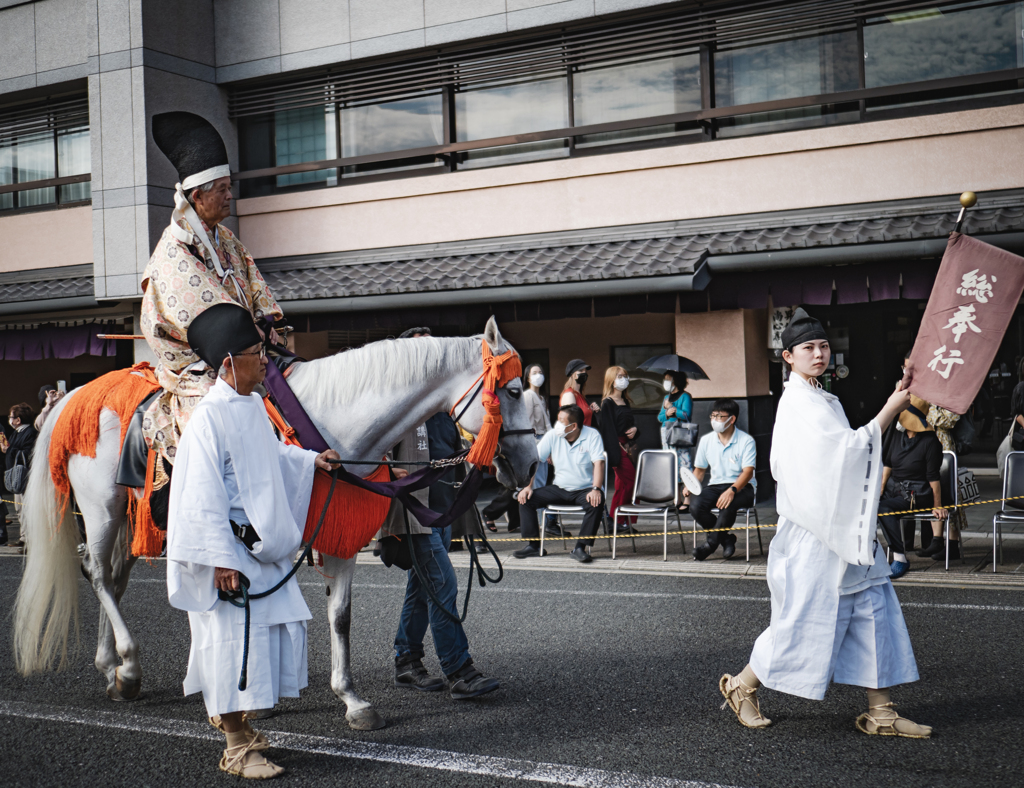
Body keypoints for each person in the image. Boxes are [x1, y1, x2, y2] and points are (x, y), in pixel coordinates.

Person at [720, 308, 930, 739]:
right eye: (808, 348)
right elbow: (847, 452)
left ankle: (881, 712)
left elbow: (843, 456)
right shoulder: (799, 402)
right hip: (815, 532)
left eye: (823, 346)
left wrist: (896, 397)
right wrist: (891, 407)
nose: (819, 354)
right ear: (788, 356)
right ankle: (741, 685)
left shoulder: (818, 395)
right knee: (804, 620)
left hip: (842, 524)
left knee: (873, 612)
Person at [166, 303, 340, 779]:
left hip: (260, 550)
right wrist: (220, 559)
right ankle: (236, 748)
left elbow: (271, 459)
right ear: (228, 362)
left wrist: (308, 461)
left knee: (260, 643)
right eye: (255, 353)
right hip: (232, 555)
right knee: (232, 645)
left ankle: (243, 728)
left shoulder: (252, 408)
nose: (265, 360)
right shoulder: (208, 419)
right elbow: (199, 495)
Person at [140, 112, 284, 488]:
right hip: (198, 364)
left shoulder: (227, 239)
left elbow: (252, 283)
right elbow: (206, 313)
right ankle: (199, 489)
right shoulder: (173, 250)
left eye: (229, 186)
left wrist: (267, 321)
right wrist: (247, 333)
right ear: (197, 196)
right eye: (221, 189)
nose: (229, 195)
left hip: (245, 351)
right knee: (212, 415)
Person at [382, 328, 500, 700]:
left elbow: (454, 446)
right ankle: (459, 670)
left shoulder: (443, 402)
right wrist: (387, 469)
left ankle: (406, 659)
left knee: (422, 587)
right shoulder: (396, 400)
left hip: (443, 507)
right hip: (414, 510)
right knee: (442, 584)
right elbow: (373, 446)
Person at [515, 404, 605, 564]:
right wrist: (528, 487)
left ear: (573, 426)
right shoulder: (552, 435)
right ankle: (533, 546)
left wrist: (596, 489)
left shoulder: (592, 435)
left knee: (596, 502)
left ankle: (580, 548)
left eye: (562, 421)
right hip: (559, 489)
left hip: (585, 489)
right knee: (525, 499)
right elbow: (534, 460)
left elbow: (599, 463)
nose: (557, 424)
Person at [878, 394, 946, 579]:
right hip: (894, 489)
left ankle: (899, 557)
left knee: (883, 509)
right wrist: (880, 489)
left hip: (917, 493)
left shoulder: (930, 442)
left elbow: (933, 478)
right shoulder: (897, 436)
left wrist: (937, 505)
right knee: (870, 504)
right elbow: (888, 464)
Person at [687, 398, 756, 561]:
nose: (715, 420)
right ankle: (726, 540)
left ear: (732, 419)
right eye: (713, 416)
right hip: (716, 485)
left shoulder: (746, 441)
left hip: (743, 487)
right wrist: (690, 485)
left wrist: (732, 490)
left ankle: (709, 546)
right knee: (696, 505)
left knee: (728, 503)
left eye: (719, 416)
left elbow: (748, 472)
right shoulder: (706, 440)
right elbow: (700, 470)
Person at [598, 366, 638, 526]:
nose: (624, 379)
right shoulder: (607, 403)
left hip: (628, 446)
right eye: (620, 376)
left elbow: (630, 424)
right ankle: (621, 520)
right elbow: (607, 430)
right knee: (632, 482)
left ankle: (617, 521)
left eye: (625, 376)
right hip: (617, 448)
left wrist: (636, 430)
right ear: (611, 380)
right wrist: (617, 450)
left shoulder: (625, 401)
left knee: (621, 486)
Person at [1, 402, 37, 547]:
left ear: (18, 420)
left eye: (11, 417)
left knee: (27, 508)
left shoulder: (30, 433)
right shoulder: (17, 432)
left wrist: (8, 450)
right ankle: (23, 537)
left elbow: (28, 453)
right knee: (20, 509)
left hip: (25, 476)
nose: (9, 420)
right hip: (18, 476)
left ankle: (30, 539)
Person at [658, 370, 694, 509]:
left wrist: (672, 408)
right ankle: (677, 500)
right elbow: (660, 417)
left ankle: (687, 500)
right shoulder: (666, 397)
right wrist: (667, 413)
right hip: (666, 433)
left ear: (676, 381)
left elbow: (686, 415)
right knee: (671, 465)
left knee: (684, 464)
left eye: (669, 379)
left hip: (680, 433)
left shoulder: (685, 396)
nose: (666, 382)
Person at [560, 359, 599, 427]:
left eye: (585, 371)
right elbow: (570, 423)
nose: (584, 373)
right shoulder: (569, 395)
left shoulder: (580, 394)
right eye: (580, 371)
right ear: (572, 374)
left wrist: (590, 410)